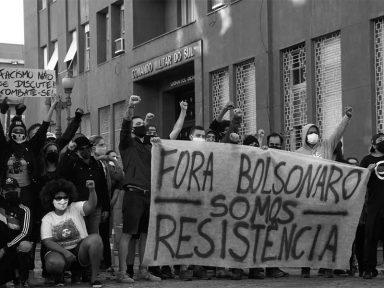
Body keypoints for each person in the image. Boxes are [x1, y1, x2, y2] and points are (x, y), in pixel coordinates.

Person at [295, 106, 353, 278]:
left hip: (327, 198)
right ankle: (305, 267)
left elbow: (338, 132)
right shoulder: (297, 153)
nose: (313, 134)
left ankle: (327, 266)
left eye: (315, 131)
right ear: (304, 134)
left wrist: (346, 118)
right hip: (307, 200)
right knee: (307, 234)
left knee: (326, 234)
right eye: (310, 132)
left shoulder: (327, 146)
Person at [118, 95, 161, 283]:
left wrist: (149, 124)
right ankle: (122, 272)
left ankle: (143, 269)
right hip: (133, 193)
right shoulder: (126, 144)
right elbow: (126, 126)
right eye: (138, 123)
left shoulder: (148, 146)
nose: (140, 125)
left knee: (145, 234)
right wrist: (130, 109)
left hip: (148, 195)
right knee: (128, 233)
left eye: (142, 123)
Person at [40, 178, 103, 287]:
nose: (62, 200)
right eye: (58, 198)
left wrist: (92, 190)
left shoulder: (75, 207)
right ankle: (59, 276)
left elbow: (91, 206)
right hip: (60, 252)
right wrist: (65, 252)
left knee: (96, 239)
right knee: (54, 263)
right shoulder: (48, 218)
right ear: (51, 199)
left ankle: (93, 279)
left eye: (65, 197)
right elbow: (47, 242)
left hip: (79, 251)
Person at [58, 136, 110, 235]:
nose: (86, 150)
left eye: (88, 148)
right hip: (78, 207)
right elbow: (61, 171)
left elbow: (103, 187)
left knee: (94, 236)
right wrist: (69, 151)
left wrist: (106, 208)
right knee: (79, 236)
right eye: (82, 149)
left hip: (95, 207)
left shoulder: (97, 163)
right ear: (77, 151)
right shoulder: (73, 164)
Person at [357, 133, 384, 279]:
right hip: (373, 206)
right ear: (373, 144)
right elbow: (358, 182)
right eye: (380, 140)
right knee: (371, 239)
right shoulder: (366, 160)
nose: (383, 141)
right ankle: (369, 269)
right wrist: (367, 171)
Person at [0, 177, 33, 288]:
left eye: (12, 189)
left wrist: (5, 248)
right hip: (2, 245)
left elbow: (24, 233)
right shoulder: (1, 209)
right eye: (7, 190)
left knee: (25, 246)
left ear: (19, 190)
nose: (9, 192)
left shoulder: (25, 210)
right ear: (2, 192)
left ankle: (22, 279)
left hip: (15, 245)